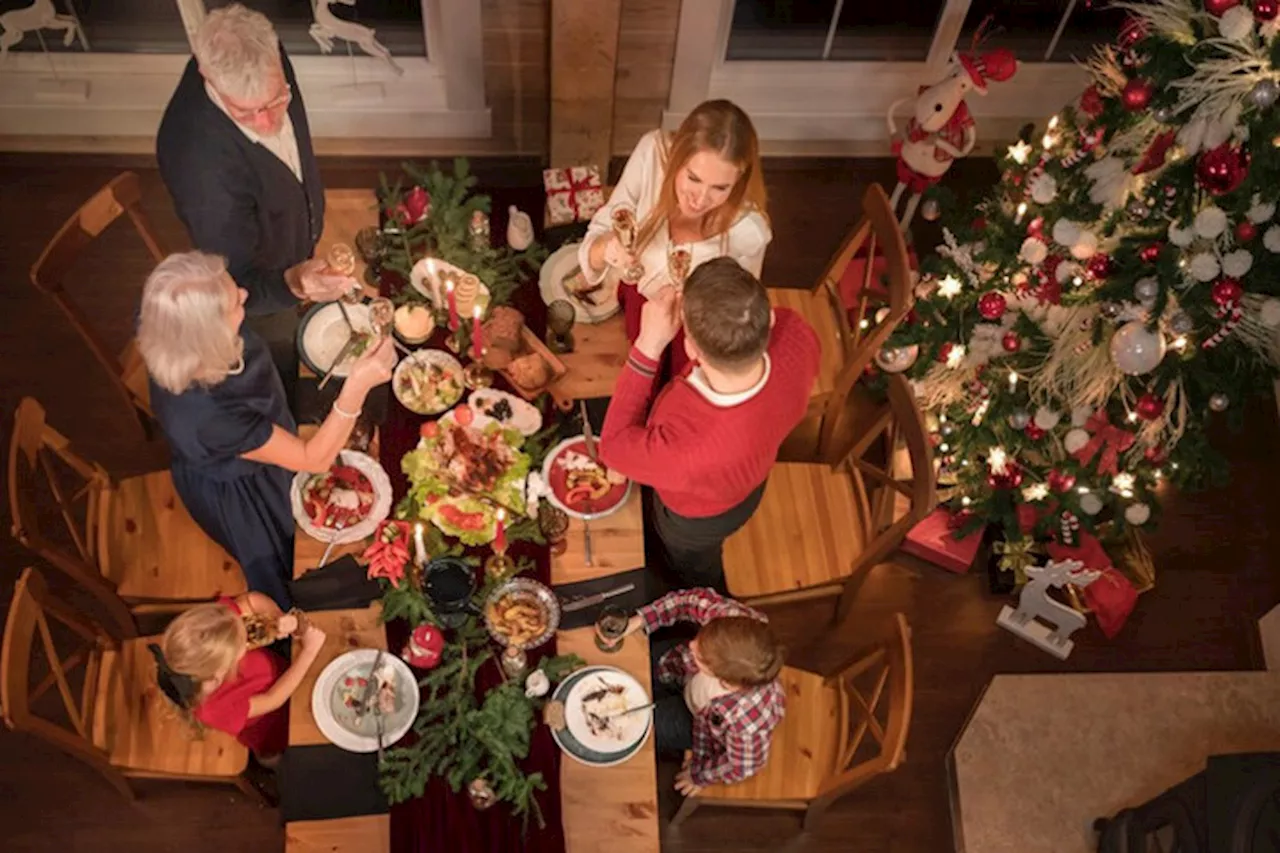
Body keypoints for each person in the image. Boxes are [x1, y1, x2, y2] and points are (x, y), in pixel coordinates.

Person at [138, 251, 394, 609]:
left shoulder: (178, 327)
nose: (243, 294)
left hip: (260, 433)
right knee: (288, 558)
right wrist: (356, 388)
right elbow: (313, 459)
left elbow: (248, 295)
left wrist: (297, 283)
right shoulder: (209, 415)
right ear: (209, 336)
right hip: (245, 488)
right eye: (233, 304)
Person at [156, 3, 354, 405]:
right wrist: (295, 283)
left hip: (289, 243)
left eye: (276, 100)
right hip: (260, 294)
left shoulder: (266, 56)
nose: (269, 125)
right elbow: (238, 280)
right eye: (246, 114)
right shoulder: (200, 167)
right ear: (207, 74)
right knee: (276, 365)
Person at [598, 258, 820, 592]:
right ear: (769, 317)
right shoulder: (796, 334)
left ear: (690, 349)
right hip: (751, 480)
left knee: (692, 565)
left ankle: (699, 595)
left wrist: (648, 346)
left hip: (696, 520)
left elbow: (614, 449)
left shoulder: (686, 447)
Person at [578, 99, 770, 375]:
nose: (700, 199)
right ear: (676, 157)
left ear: (739, 181)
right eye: (693, 178)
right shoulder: (652, 155)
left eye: (720, 188)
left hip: (694, 335)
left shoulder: (749, 232)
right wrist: (606, 249)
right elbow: (597, 237)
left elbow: (741, 310)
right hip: (640, 307)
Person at [615, 587, 784, 795]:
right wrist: (641, 621)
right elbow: (689, 600)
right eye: (702, 637)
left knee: (632, 726)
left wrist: (700, 775)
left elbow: (742, 765)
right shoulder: (733, 622)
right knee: (622, 669)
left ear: (725, 681)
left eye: (701, 657)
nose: (693, 644)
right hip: (677, 668)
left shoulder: (748, 722)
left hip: (695, 722)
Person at [151, 592, 326, 764]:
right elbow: (272, 699)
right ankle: (268, 762)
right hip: (269, 721)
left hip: (283, 671)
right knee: (285, 746)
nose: (246, 640)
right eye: (241, 644)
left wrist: (277, 618)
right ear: (217, 675)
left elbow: (251, 600)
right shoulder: (213, 711)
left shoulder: (216, 627)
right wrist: (309, 652)